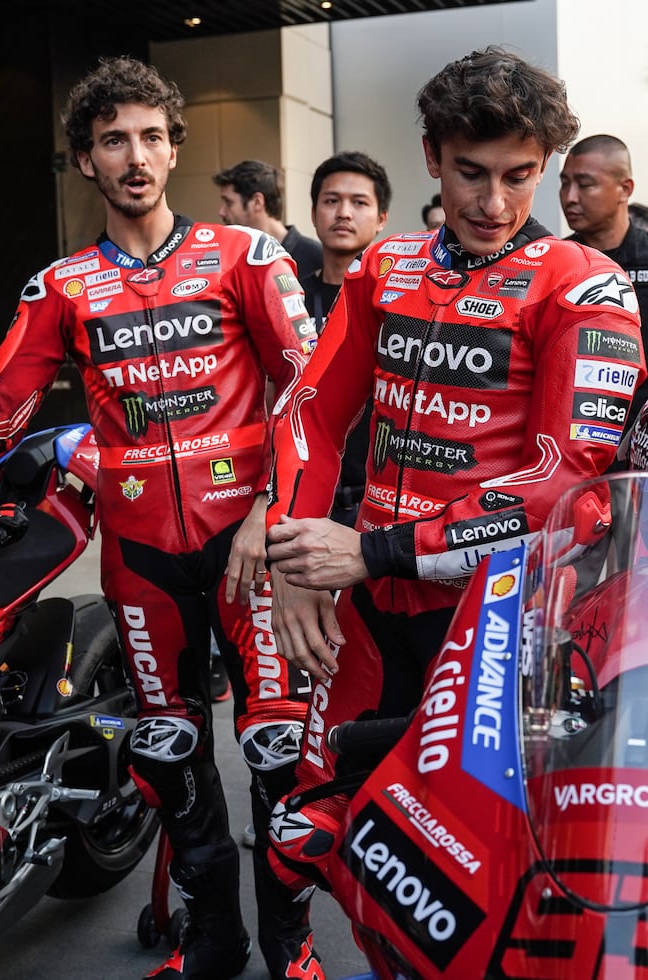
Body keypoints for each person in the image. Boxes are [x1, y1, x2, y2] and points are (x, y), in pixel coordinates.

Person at [0, 55, 320, 980]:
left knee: (278, 751)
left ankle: (294, 949)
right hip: (139, 556)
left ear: (173, 150)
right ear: (86, 160)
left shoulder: (246, 257)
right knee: (170, 752)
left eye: (152, 138)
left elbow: (307, 390)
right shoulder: (60, 286)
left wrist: (271, 508)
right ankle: (212, 943)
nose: (135, 156)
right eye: (113, 141)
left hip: (249, 546)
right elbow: (3, 403)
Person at [262, 45, 645, 943]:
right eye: (471, 172)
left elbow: (566, 479)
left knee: (468, 874)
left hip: (499, 622)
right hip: (366, 608)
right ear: (432, 156)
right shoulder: (385, 268)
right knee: (303, 832)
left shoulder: (584, 285)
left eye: (520, 176)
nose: (494, 203)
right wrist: (292, 555)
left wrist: (370, 551)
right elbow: (312, 413)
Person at [301, 151, 390, 531]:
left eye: (359, 203)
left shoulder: (399, 303)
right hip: (301, 494)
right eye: (331, 201)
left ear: (382, 218)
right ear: (313, 212)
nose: (343, 213)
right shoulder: (289, 299)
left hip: (375, 499)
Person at [560, 134, 648, 426]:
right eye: (564, 183)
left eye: (585, 184)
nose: (570, 197)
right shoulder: (554, 263)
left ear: (625, 189)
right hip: (569, 431)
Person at [213, 159, 322, 274]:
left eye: (229, 202)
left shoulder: (316, 258)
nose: (221, 212)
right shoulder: (228, 259)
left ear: (257, 202)